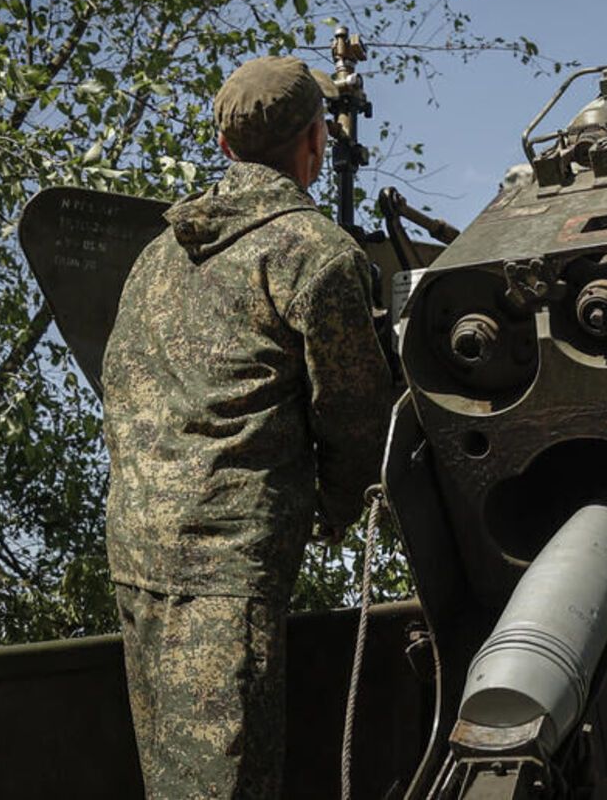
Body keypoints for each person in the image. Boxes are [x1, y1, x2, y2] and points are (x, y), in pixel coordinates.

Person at [101, 55, 393, 799]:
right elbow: (358, 421)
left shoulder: (157, 254)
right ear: (315, 143)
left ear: (227, 149)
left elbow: (122, 384)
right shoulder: (315, 254)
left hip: (138, 557)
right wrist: (339, 509)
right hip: (227, 573)